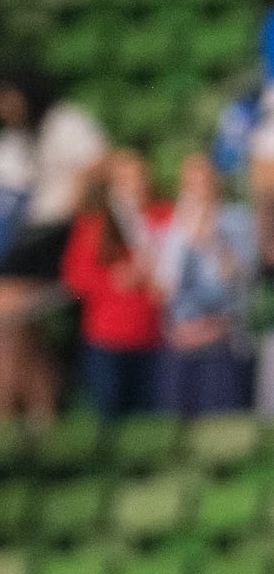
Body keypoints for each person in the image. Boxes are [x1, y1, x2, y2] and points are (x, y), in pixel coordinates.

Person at [0, 68, 107, 419]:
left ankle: (1, 407)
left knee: (3, 306)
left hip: (63, 234)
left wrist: (73, 205)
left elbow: (98, 167)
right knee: (12, 316)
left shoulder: (66, 124)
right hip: (24, 238)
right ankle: (32, 407)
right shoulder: (3, 148)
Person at [60, 149, 171, 418]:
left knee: (151, 423)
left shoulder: (164, 215)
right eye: (127, 179)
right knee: (109, 421)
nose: (137, 184)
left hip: (155, 336)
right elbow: (75, 279)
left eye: (140, 177)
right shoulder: (96, 224)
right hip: (107, 338)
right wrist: (114, 280)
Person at [155, 153, 256, 415]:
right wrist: (185, 242)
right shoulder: (175, 226)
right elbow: (167, 286)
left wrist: (211, 242)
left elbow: (242, 276)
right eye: (192, 184)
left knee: (223, 415)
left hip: (225, 333)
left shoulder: (238, 220)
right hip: (184, 331)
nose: (200, 190)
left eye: (205, 182)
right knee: (181, 415)